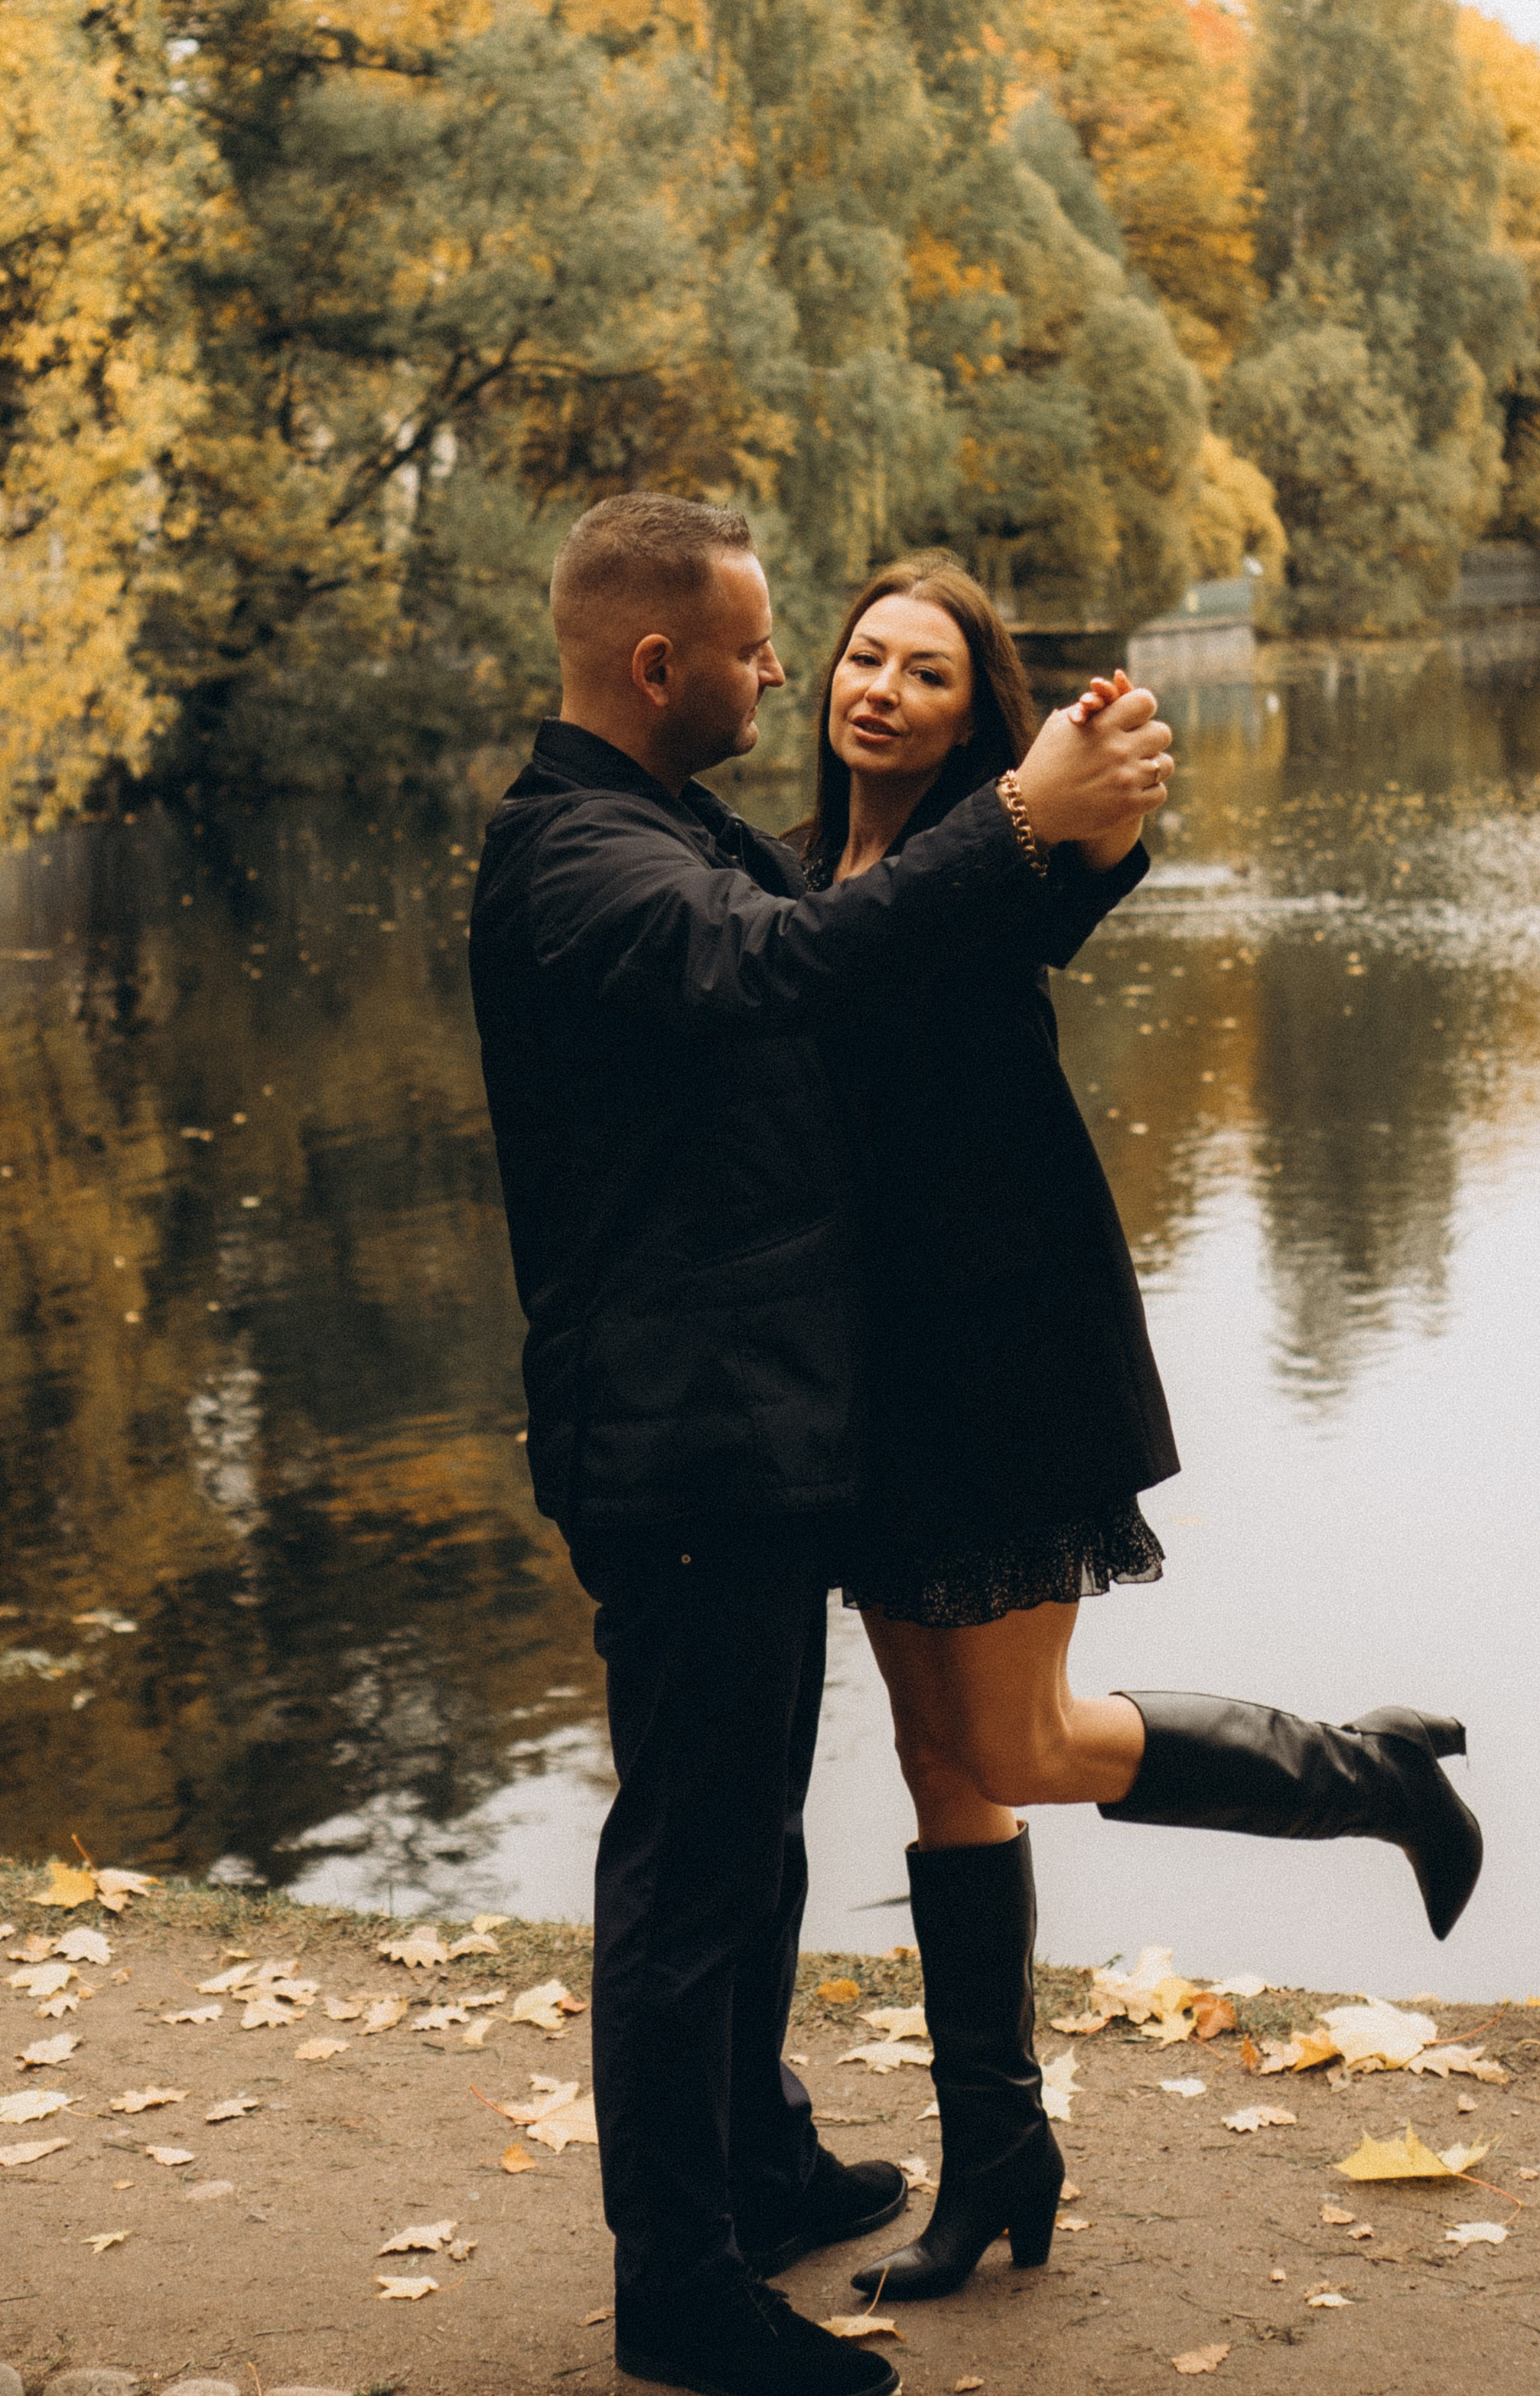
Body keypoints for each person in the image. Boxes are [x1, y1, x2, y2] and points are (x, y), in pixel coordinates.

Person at [466, 496, 1173, 2396]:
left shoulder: (674, 823)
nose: (786, 675)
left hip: (752, 1424)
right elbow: (778, 967)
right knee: (689, 1867)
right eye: (763, 646)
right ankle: (680, 2289)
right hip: (679, 1437)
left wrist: (1077, 833)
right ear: (657, 665)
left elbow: (894, 932)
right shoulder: (580, 859)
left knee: (751, 1841)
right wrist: (1017, 816)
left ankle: (761, 2163)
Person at [790, 555, 1484, 2304]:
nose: (880, 689)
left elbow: (1078, 865)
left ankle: (1370, 1776)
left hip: (1006, 1357)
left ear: (980, 724)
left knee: (1014, 1741)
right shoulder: (795, 879)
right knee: (939, 1765)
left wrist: (1090, 783)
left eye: (927, 674)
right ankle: (995, 2153)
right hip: (871, 1383)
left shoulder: (1002, 862)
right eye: (863, 656)